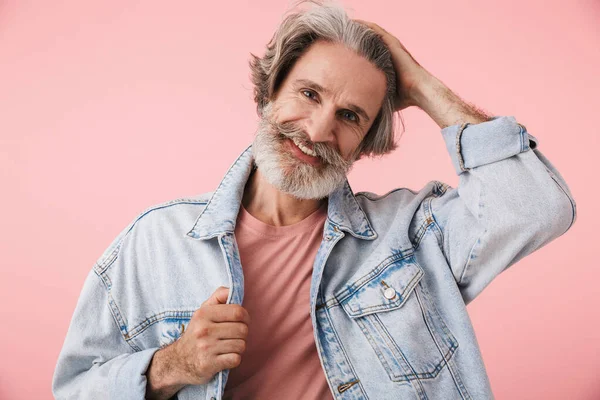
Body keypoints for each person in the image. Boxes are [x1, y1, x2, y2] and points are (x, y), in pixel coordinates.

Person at [52, 2, 576, 399]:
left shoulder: (412, 236)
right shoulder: (156, 243)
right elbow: (73, 390)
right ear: (268, 91)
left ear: (365, 144)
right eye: (309, 94)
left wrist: (419, 85)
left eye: (351, 116)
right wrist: (173, 365)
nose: (319, 130)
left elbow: (535, 205)